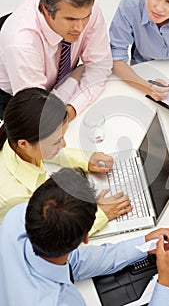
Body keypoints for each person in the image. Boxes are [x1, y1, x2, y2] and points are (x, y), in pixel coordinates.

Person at [0, 167, 169, 306]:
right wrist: (167, 282)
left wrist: (143, 244)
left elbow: (74, 261)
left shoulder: (16, 217)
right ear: (85, 238)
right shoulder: (61, 302)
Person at [0, 87, 132, 234]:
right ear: (24, 144)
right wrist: (97, 215)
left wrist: (85, 159)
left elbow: (45, 151)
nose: (64, 145)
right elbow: (46, 243)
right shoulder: (14, 197)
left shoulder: (15, 136)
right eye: (56, 142)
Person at [0, 0, 112, 120]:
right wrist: (74, 79)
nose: (79, 28)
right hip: (16, 97)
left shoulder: (85, 9)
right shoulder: (21, 43)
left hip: (54, 82)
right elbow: (39, 112)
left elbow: (100, 65)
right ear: (46, 9)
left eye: (85, 18)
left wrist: (72, 109)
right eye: (70, 19)